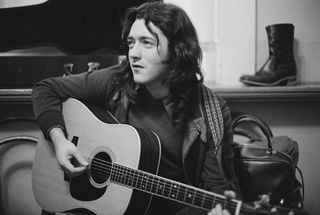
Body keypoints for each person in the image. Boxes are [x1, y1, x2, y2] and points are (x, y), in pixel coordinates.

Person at [32, 2, 241, 215]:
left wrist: (219, 211)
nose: (133, 54)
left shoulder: (210, 110)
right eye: (131, 43)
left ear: (178, 50)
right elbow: (45, 89)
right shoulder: (117, 82)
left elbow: (219, 188)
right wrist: (59, 141)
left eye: (147, 43)